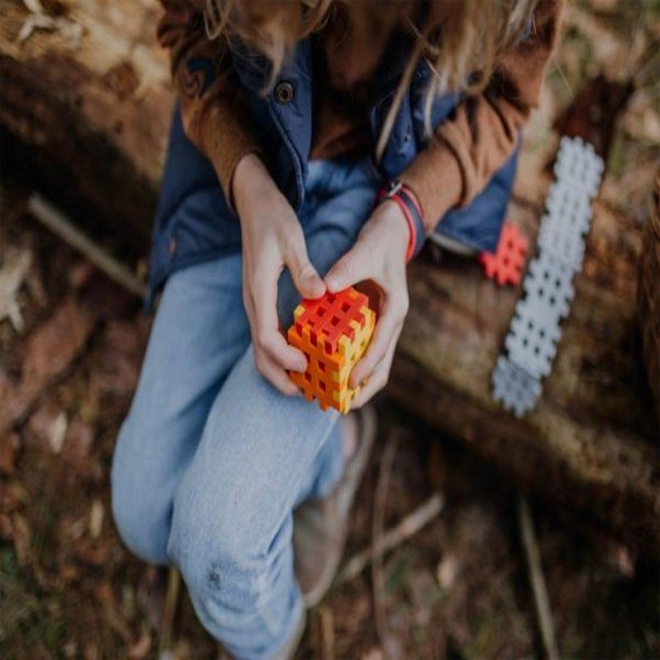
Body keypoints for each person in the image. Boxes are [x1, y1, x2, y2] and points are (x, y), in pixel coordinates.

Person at [111, 0, 564, 657]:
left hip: (376, 186)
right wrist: (246, 181)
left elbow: (506, 104)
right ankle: (329, 453)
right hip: (245, 148)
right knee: (145, 516)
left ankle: (275, 633)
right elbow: (186, 30)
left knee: (219, 542)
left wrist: (404, 217)